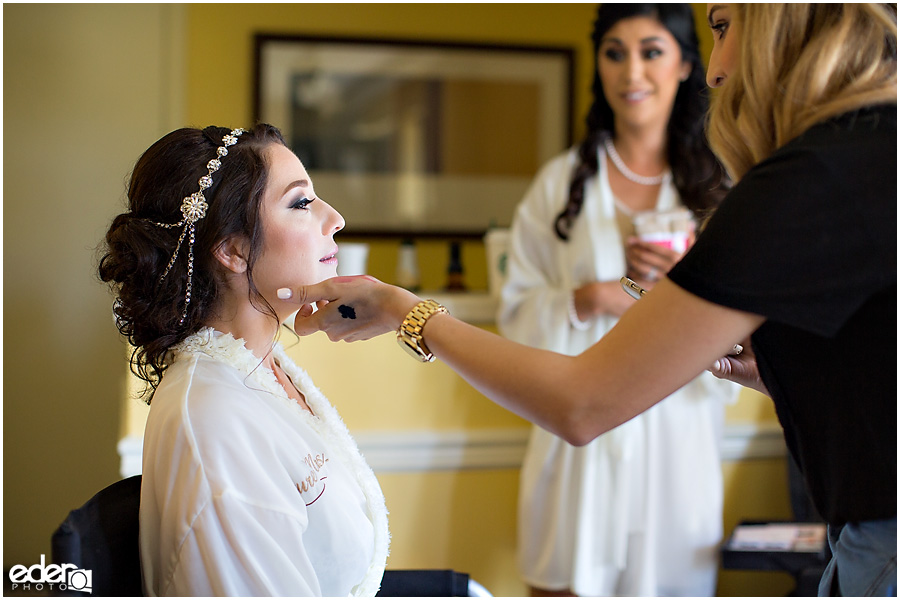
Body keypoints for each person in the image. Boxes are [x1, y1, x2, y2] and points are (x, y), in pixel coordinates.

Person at [282, 4, 896, 596]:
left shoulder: (800, 182)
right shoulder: (871, 152)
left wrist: (401, 310)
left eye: (724, 26)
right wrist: (788, 372)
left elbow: (580, 404)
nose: (716, 68)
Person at [498, 4, 737, 596]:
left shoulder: (721, 185)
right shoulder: (560, 184)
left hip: (676, 439)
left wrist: (689, 286)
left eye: (651, 51)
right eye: (615, 52)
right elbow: (515, 314)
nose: (632, 71)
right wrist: (590, 296)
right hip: (578, 436)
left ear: (685, 62)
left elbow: (747, 330)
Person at [98, 124, 389, 596]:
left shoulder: (263, 369)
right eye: (301, 202)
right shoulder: (214, 423)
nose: (335, 218)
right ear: (233, 249)